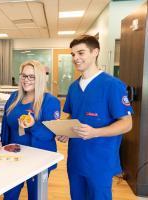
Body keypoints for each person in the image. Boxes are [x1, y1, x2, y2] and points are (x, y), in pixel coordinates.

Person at [57, 35, 133, 200]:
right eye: (73, 54)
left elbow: (127, 124)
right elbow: (72, 115)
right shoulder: (73, 88)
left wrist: (95, 132)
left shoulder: (112, 85)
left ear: (95, 52)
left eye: (81, 53)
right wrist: (65, 130)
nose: (76, 58)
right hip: (76, 159)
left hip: (100, 161)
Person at [1, 60, 61, 200]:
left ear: (39, 78)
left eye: (31, 77)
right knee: (10, 195)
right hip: (14, 157)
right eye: (23, 75)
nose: (26, 80)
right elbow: (6, 126)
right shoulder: (14, 97)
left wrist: (33, 125)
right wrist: (1, 147)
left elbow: (49, 134)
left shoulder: (50, 101)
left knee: (36, 196)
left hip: (38, 159)